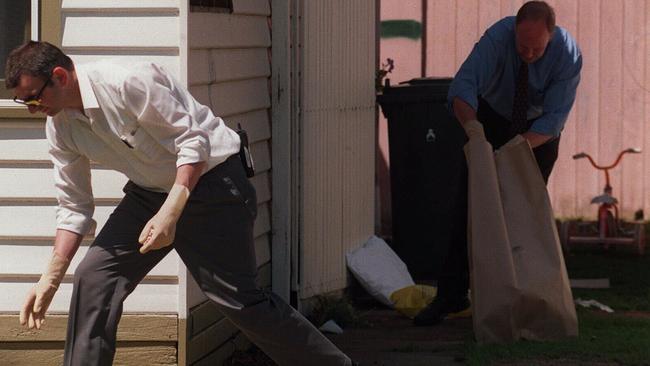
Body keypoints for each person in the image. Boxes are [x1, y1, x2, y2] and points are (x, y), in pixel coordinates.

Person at [6, 41, 354, 366]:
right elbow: (74, 206)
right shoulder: (61, 126)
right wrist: (50, 277)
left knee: (241, 303)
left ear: (60, 77)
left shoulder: (128, 82)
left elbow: (193, 142)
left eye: (33, 99)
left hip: (212, 185)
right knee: (94, 277)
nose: (35, 110)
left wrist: (173, 209)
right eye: (25, 104)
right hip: (148, 194)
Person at [414, 1, 582, 326]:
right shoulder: (496, 38)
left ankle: (526, 297)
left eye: (537, 49)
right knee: (470, 205)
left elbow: (554, 118)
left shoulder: (567, 54)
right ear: (514, 30)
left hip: (538, 133)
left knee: (524, 213)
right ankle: (451, 295)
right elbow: (463, 88)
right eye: (523, 46)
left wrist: (517, 149)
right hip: (491, 117)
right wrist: (475, 132)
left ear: (552, 36)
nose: (529, 54)